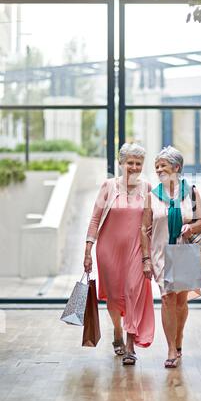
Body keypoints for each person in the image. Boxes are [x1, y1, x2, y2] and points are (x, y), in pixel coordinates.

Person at [84, 143, 155, 365]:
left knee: (133, 291)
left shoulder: (147, 188)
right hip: (108, 250)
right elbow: (95, 218)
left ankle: (130, 345)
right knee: (114, 297)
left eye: (138, 163)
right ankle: (117, 330)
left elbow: (150, 222)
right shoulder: (108, 186)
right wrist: (87, 250)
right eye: (129, 163)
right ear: (121, 163)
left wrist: (149, 256)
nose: (134, 167)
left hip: (136, 249)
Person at [141, 146, 201, 369]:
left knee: (180, 301)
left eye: (163, 166)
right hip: (161, 254)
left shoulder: (191, 192)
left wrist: (190, 226)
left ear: (176, 168)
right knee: (168, 298)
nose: (158, 169)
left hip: (185, 250)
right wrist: (146, 259)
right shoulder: (152, 196)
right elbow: (143, 229)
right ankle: (170, 349)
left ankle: (179, 341)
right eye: (156, 166)